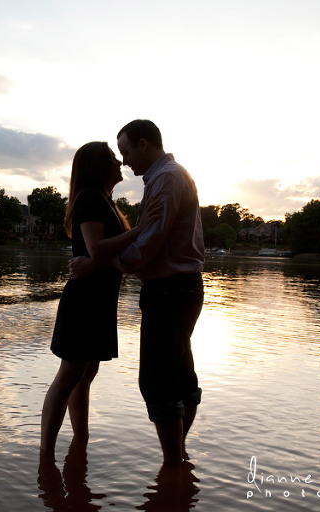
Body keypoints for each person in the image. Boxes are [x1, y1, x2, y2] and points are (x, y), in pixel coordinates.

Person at [71, 120, 205, 464]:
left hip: (170, 291)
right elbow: (146, 237)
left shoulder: (166, 179)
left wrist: (97, 263)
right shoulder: (169, 176)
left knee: (158, 381)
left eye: (126, 151)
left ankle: (172, 463)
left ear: (144, 144)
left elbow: (147, 245)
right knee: (179, 375)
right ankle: (176, 466)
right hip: (179, 289)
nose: (124, 160)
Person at [40, 141, 153, 462]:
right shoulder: (90, 197)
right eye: (112, 158)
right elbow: (97, 249)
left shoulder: (104, 200)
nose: (120, 162)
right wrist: (140, 229)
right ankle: (46, 458)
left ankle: (80, 442)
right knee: (68, 377)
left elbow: (106, 254)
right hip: (85, 301)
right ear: (98, 167)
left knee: (84, 377)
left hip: (99, 300)